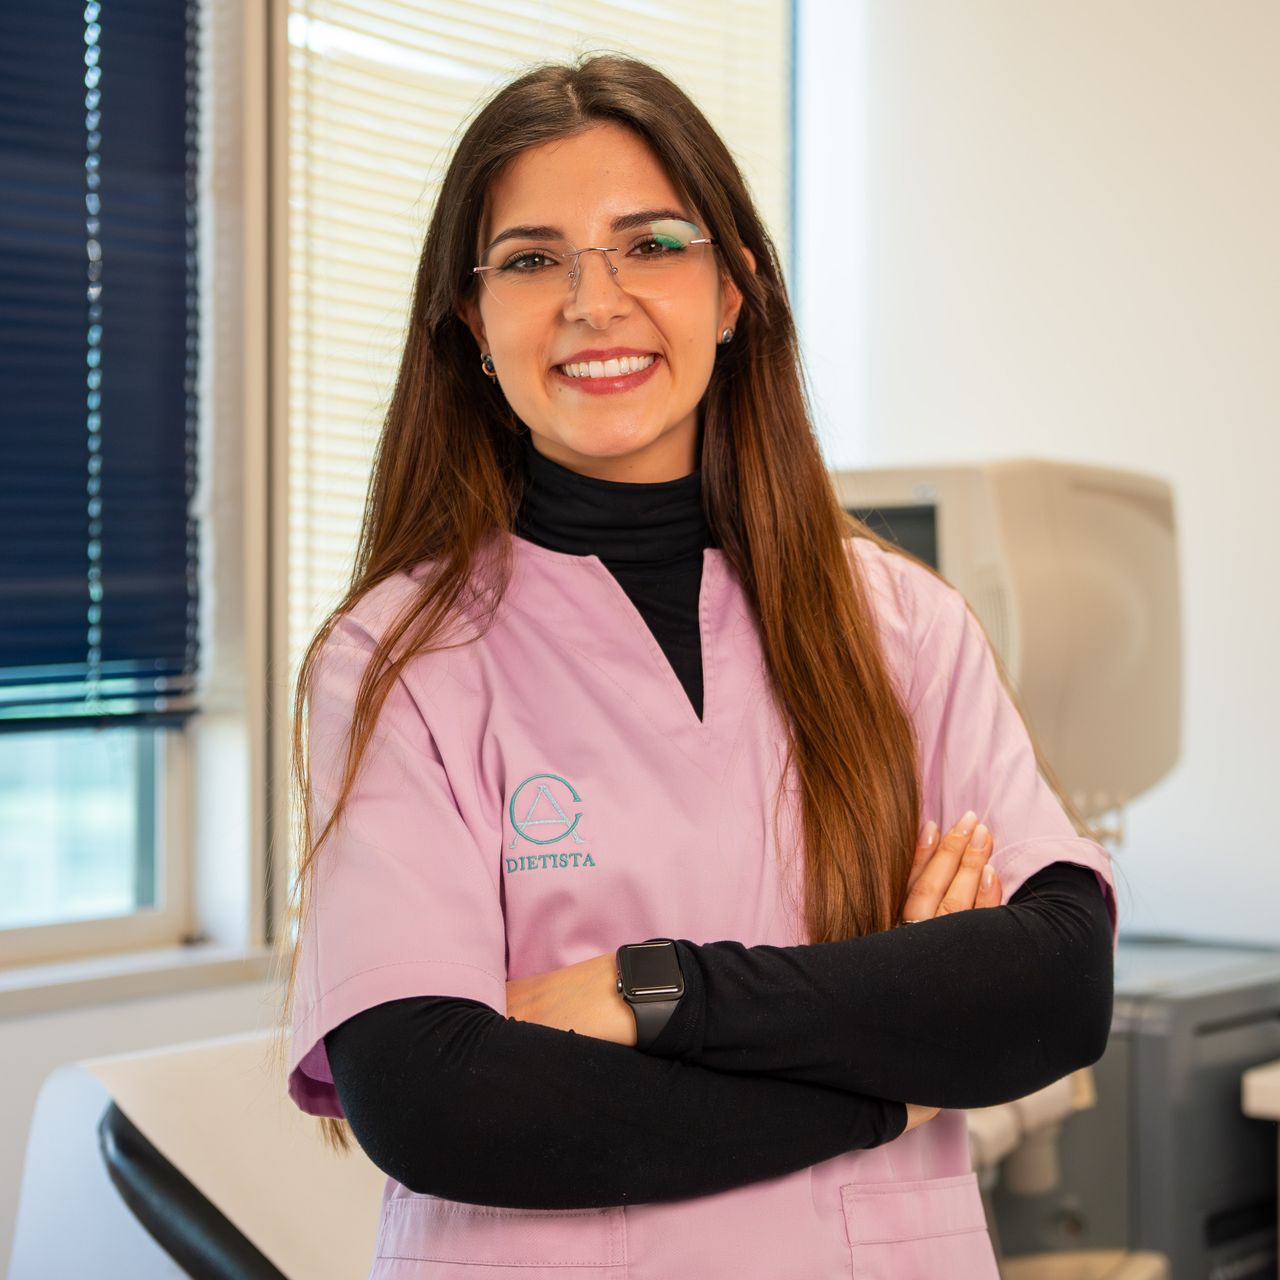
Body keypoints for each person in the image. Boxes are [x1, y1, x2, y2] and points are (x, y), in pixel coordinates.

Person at [277, 53, 1117, 1280]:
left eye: (651, 244)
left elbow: (1050, 985)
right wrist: (888, 1069)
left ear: (732, 292)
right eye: (531, 259)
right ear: (471, 324)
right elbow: (437, 1099)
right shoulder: (397, 658)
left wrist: (656, 990)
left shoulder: (900, 624)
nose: (592, 300)